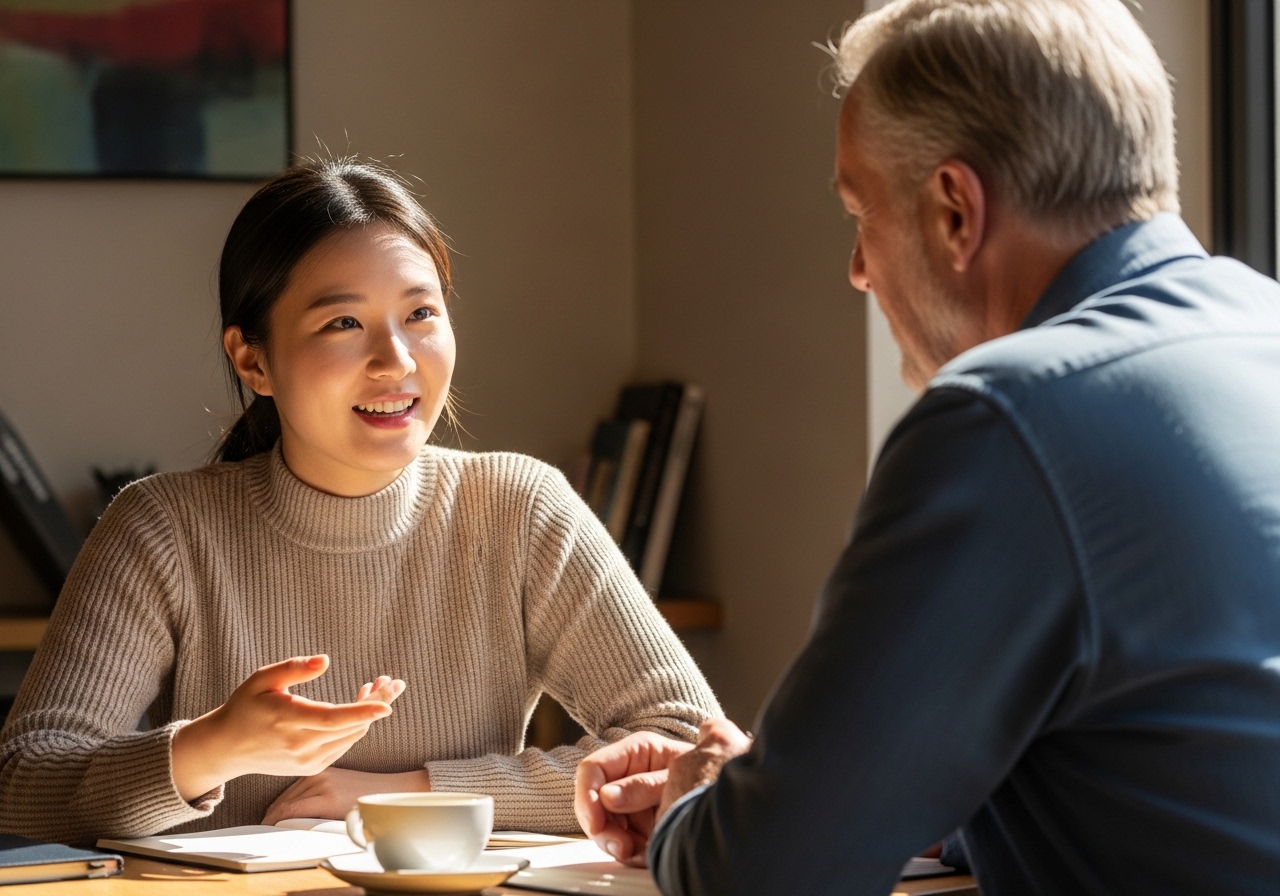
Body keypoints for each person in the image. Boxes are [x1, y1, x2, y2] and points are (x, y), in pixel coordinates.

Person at [574, 0, 1280, 893]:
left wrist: (704, 795)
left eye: (859, 214)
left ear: (954, 211)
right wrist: (820, 782)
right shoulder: (1261, 330)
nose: (857, 270)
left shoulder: (1007, 419)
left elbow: (764, 875)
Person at [0, 158, 720, 843]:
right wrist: (210, 747)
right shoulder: (162, 528)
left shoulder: (519, 509)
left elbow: (689, 750)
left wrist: (407, 793)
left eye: (421, 314)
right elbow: (22, 780)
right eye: (343, 323)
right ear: (254, 360)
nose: (396, 359)